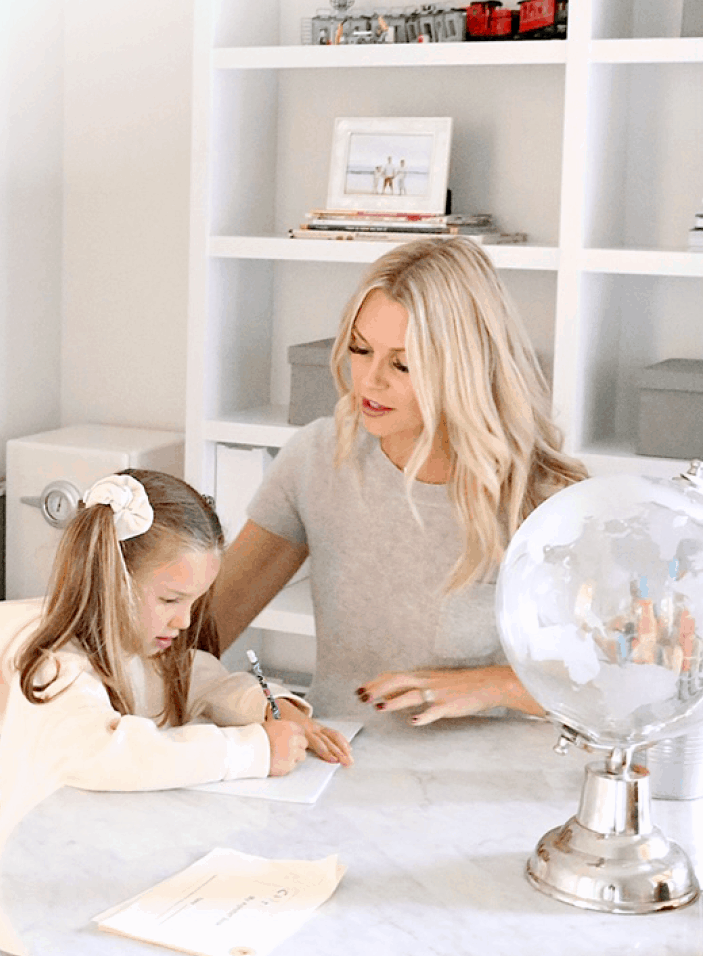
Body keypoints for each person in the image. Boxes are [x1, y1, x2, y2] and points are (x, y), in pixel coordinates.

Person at [0, 469, 352, 956]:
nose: (184, 622)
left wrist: (273, 707)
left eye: (194, 603)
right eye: (171, 601)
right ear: (111, 582)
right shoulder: (57, 668)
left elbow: (208, 680)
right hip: (43, 922)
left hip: (105, 884)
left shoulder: (148, 649)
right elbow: (107, 754)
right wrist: (252, 751)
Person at [212, 236, 587, 726]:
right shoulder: (318, 460)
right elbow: (203, 629)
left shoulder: (541, 499)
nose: (369, 381)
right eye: (360, 350)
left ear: (465, 367)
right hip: (339, 768)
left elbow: (606, 682)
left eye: (402, 364)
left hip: (491, 785)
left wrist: (493, 685)